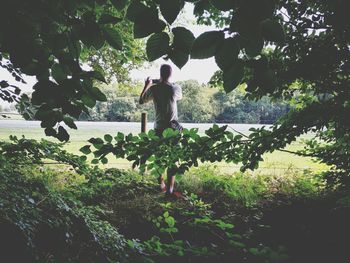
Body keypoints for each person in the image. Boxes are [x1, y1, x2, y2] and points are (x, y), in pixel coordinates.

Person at [139, 64, 182, 196]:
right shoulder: (175, 88)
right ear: (171, 73)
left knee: (158, 157)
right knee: (173, 158)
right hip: (173, 128)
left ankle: (161, 184)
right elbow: (177, 95)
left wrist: (147, 84)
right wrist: (158, 82)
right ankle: (169, 189)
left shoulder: (154, 89)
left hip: (159, 127)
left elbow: (141, 101)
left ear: (160, 73)